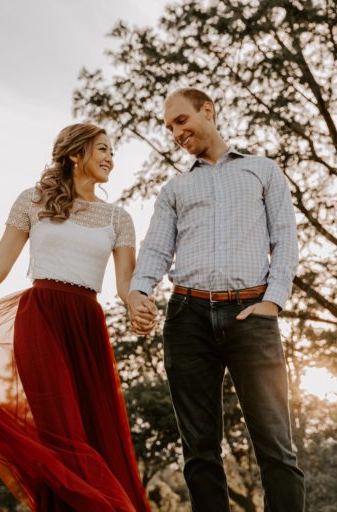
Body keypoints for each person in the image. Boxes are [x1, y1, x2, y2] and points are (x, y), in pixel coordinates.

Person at [0, 123, 152, 512]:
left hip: (86, 327)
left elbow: (125, 283)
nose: (110, 157)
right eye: (102, 149)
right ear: (75, 154)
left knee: (96, 431)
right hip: (40, 319)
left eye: (112, 150)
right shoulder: (32, 201)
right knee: (60, 433)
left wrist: (138, 304)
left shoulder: (118, 218)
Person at [127, 88, 306, 511]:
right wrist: (138, 291)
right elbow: (155, 248)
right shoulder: (174, 189)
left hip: (251, 316)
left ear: (208, 110)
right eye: (170, 127)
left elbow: (286, 241)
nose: (176, 132)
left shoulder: (262, 171)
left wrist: (272, 303)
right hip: (187, 318)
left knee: (275, 444)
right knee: (200, 451)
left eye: (182, 121)